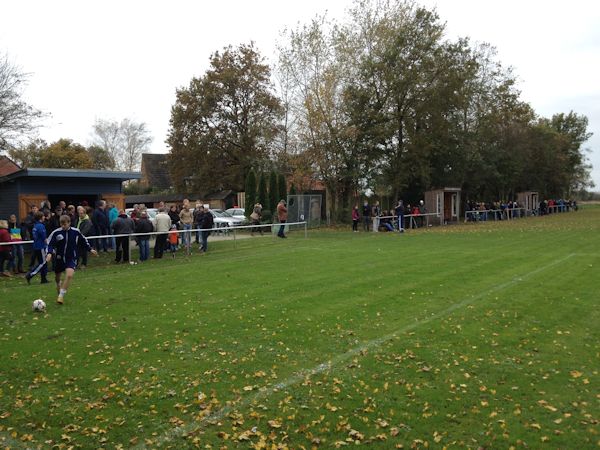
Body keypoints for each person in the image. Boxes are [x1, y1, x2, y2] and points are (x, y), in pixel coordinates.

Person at [45, 215, 97, 304]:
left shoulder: (75, 232)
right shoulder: (56, 233)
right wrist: (49, 253)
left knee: (69, 275)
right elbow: (50, 244)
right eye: (61, 224)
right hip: (59, 258)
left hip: (71, 257)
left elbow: (83, 241)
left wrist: (90, 249)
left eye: (65, 224)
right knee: (57, 278)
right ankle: (58, 285)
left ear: (69, 223)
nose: (63, 226)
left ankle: (61, 296)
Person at [25, 211, 49, 284]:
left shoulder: (35, 226)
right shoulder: (41, 226)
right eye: (43, 216)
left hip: (36, 246)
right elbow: (44, 238)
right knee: (43, 262)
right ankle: (30, 274)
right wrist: (49, 245)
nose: (44, 217)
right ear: (40, 218)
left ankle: (43, 279)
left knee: (44, 263)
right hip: (41, 246)